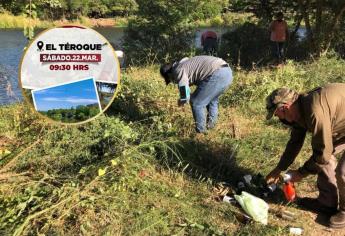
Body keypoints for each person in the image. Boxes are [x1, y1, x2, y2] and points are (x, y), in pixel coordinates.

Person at [265, 83, 345, 229]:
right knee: (324, 156)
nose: (279, 119)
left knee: (342, 171)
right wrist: (279, 169)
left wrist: (301, 173)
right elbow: (295, 143)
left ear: (285, 107)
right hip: (341, 124)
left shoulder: (314, 111)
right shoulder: (299, 110)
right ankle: (327, 203)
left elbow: (322, 154)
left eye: (277, 115)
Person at [160, 56, 233, 133]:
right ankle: (211, 130)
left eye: (171, 79)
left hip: (217, 73)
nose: (173, 81)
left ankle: (201, 134)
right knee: (212, 101)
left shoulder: (178, 70)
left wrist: (181, 101)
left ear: (169, 74)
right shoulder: (184, 64)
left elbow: (185, 96)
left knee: (196, 103)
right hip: (227, 72)